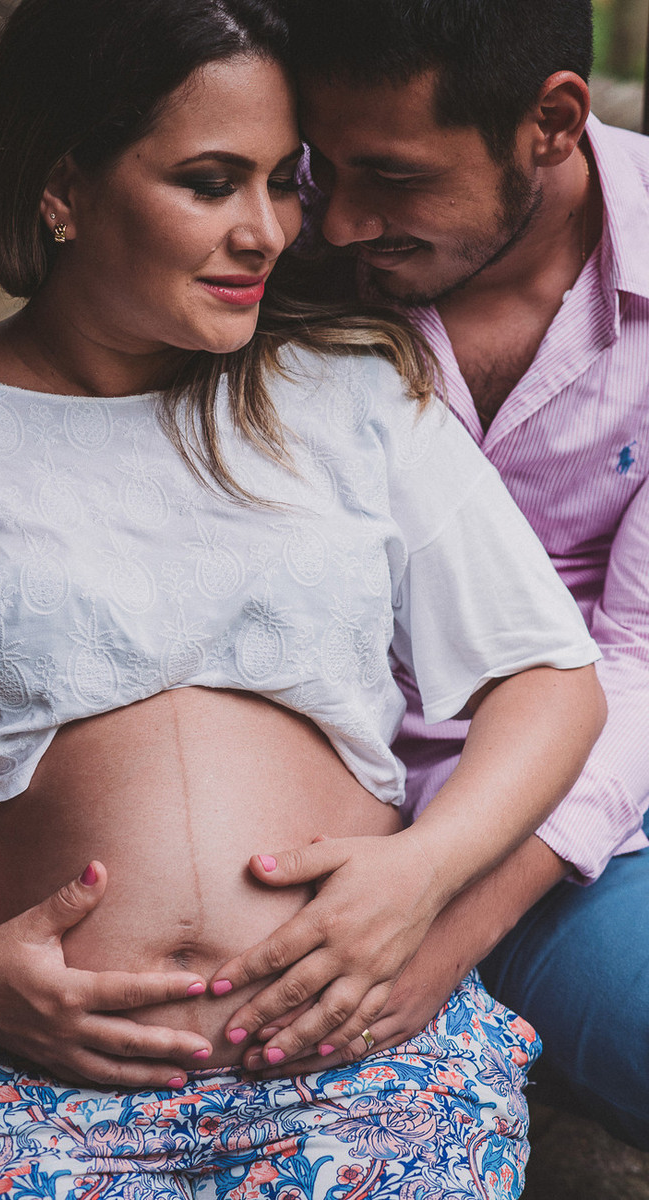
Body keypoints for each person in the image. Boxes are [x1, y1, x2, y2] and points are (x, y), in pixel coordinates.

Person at [0, 0, 606, 1196]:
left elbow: (549, 680)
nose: (268, 231)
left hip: (358, 1056)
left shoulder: (347, 390)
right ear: (64, 187)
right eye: (209, 183)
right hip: (8, 1075)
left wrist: (424, 873)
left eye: (279, 181)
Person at [217, 0, 649, 1152]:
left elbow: (638, 652)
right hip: (326, 796)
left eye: (391, 178)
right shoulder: (270, 246)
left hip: (579, 804)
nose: (341, 219)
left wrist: (442, 916)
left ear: (550, 122)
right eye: (321, 166)